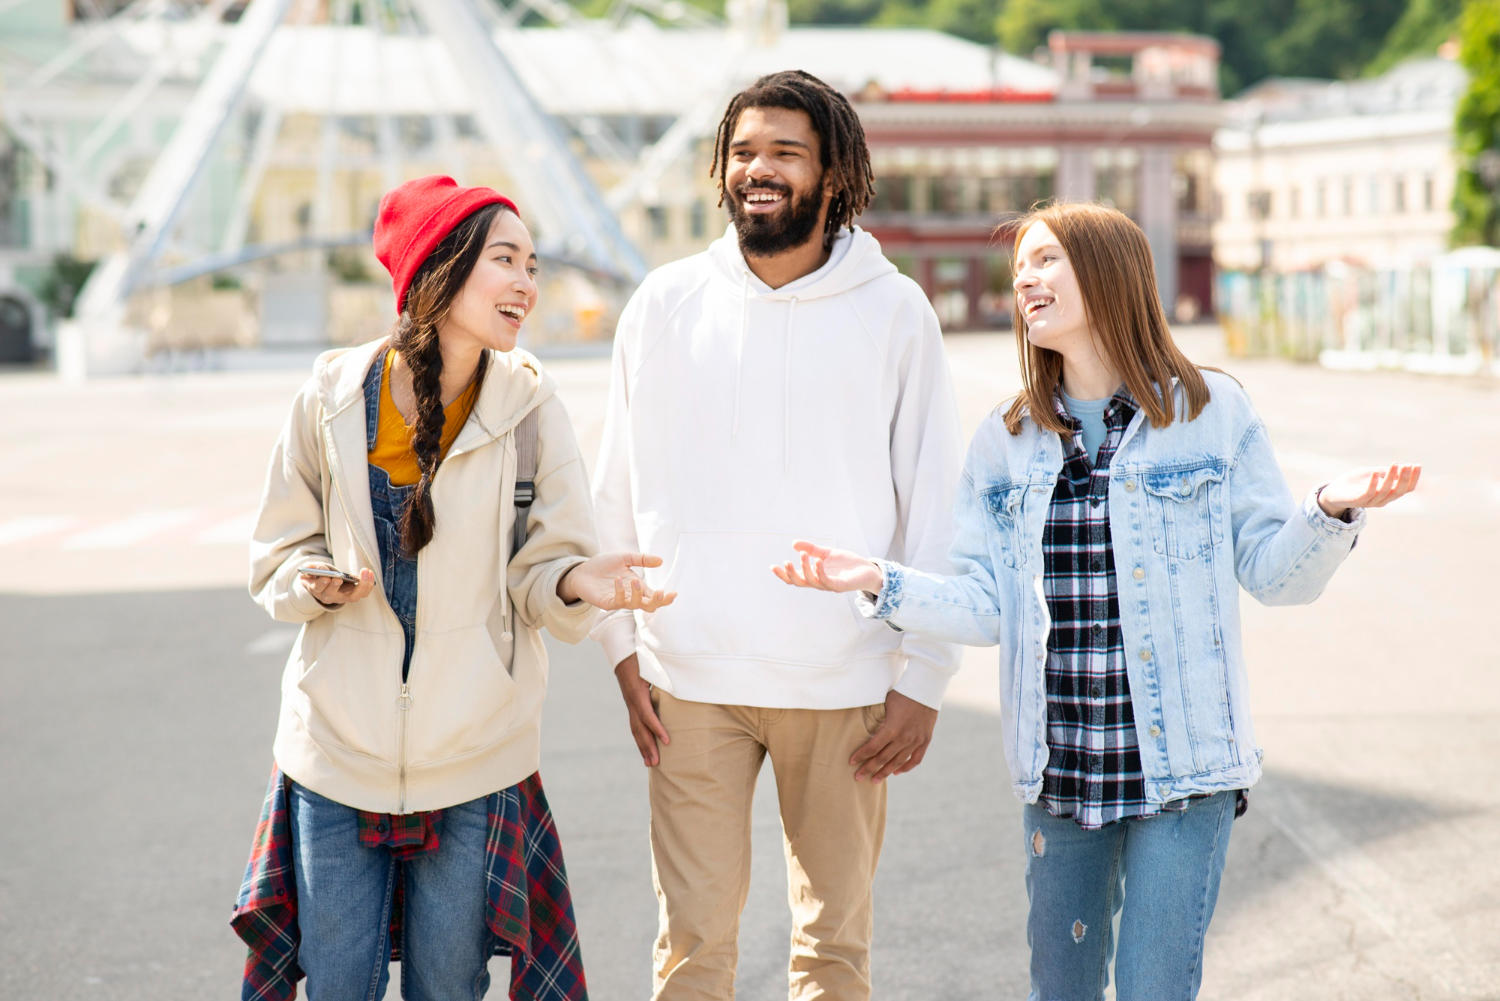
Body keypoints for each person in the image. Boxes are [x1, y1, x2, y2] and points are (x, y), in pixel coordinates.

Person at [774, 201, 1420, 1001]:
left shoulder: (1208, 413)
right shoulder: (1004, 438)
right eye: (1021, 270)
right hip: (1060, 774)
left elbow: (1273, 575)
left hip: (1182, 776)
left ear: (1109, 272)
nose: (1026, 280)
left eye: (1046, 260)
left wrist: (1327, 509)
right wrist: (879, 581)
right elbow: (985, 604)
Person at [232, 175, 674, 1001]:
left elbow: (546, 573)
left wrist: (583, 578)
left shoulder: (531, 406)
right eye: (504, 260)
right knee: (337, 986)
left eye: (532, 266)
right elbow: (275, 555)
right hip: (334, 751)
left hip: (476, 754)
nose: (527, 286)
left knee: (448, 985)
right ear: (438, 270)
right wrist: (314, 583)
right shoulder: (330, 399)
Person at [590, 70, 964, 1000]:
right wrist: (621, 650)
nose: (759, 170)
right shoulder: (663, 304)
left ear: (833, 174)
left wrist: (923, 673)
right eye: (744, 152)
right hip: (689, 676)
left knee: (834, 950)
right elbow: (614, 486)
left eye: (785, 153)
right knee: (690, 946)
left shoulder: (895, 311)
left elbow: (935, 499)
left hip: (845, 677)